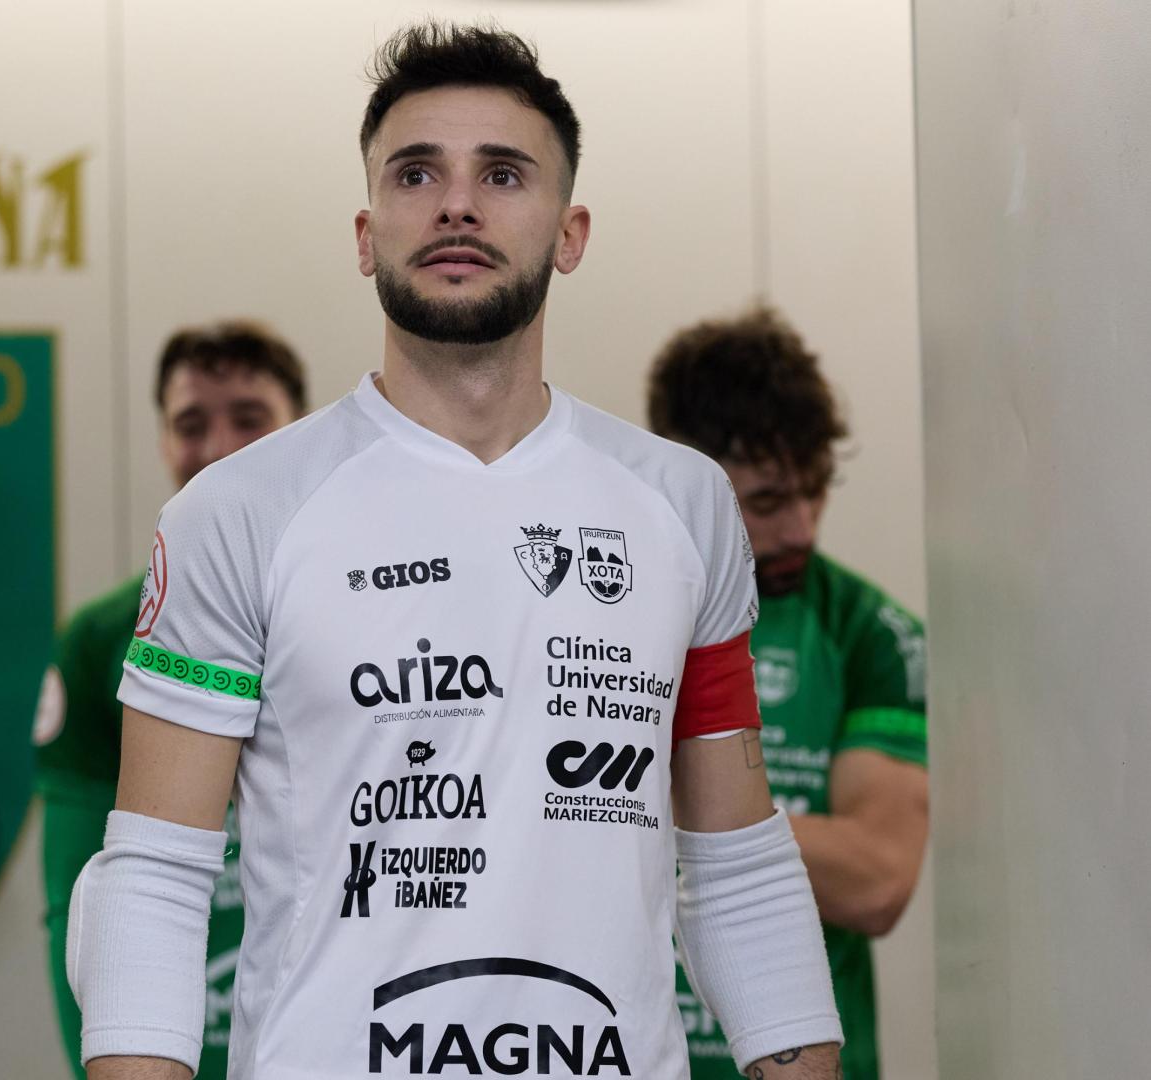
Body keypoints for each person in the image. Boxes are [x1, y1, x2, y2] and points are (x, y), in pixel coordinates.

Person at [66, 22, 845, 1080]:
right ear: (364, 231)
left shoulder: (681, 504)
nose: (457, 203)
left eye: (505, 174)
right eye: (417, 172)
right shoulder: (238, 511)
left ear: (569, 233)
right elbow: (153, 878)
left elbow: (741, 867)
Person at [647, 305, 929, 1080]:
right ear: (686, 478)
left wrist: (654, 798)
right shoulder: (605, 612)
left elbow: (877, 880)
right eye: (768, 502)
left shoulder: (872, 631)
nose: (803, 528)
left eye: (816, 491)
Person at [33, 320, 307, 1078]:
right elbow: (81, 897)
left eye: (249, 418)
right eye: (191, 423)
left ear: (301, 430)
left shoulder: (384, 608)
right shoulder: (99, 641)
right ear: (162, 443)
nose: (219, 446)